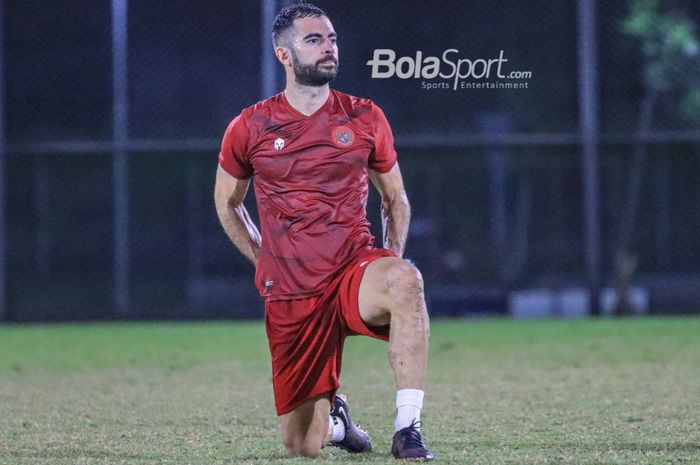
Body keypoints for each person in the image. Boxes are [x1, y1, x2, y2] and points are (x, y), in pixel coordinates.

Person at [214, 3, 434, 461]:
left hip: (353, 270)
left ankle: (407, 428)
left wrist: (388, 261)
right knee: (301, 446)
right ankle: (337, 424)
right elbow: (228, 203)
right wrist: (263, 258)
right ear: (285, 56)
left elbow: (396, 199)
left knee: (406, 280)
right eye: (314, 40)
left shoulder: (364, 115)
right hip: (292, 288)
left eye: (331, 38)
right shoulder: (250, 125)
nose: (329, 47)